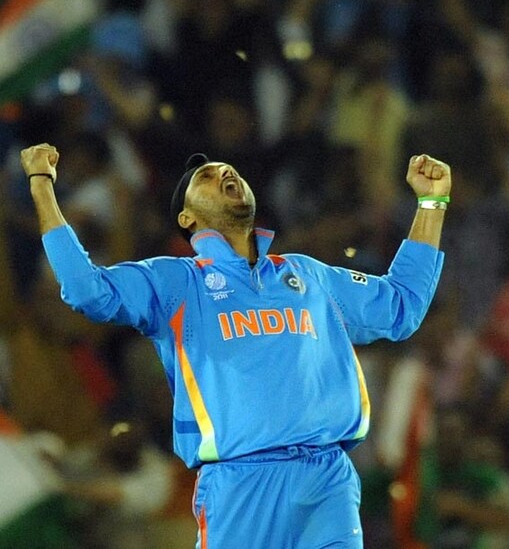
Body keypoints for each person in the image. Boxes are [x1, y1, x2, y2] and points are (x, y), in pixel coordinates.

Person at [20, 143, 451, 548]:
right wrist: (42, 186)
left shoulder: (309, 277)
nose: (226, 172)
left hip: (327, 481)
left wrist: (431, 205)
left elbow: (400, 307)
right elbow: (85, 289)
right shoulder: (177, 282)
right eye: (206, 176)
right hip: (240, 485)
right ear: (187, 218)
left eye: (230, 170)